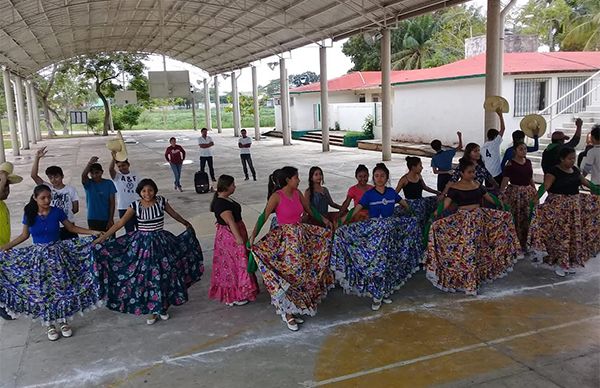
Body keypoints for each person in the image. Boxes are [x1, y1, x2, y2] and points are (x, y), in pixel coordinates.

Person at [92, 179, 204, 324]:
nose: (147, 193)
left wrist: (186, 223)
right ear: (139, 192)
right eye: (144, 191)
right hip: (142, 246)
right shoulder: (135, 206)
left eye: (150, 190)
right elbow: (120, 223)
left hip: (162, 243)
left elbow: (174, 214)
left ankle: (162, 307)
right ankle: (152, 310)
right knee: (148, 277)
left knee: (165, 275)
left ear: (155, 191)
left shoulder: (161, 202)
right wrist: (103, 238)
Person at [0, 185, 102, 341]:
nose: (47, 200)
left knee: (62, 288)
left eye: (49, 197)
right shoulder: (29, 214)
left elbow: (71, 227)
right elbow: (24, 236)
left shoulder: (56, 212)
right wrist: (4, 248)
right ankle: (50, 325)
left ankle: (63, 321)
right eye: (43, 198)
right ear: (35, 198)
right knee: (44, 291)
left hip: (57, 256)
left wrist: (92, 232)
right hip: (39, 260)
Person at [250, 166, 333, 331]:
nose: (299, 180)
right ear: (288, 179)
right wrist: (253, 236)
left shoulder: (298, 194)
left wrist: (324, 220)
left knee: (301, 273)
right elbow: (263, 216)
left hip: (301, 238)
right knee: (289, 274)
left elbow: (310, 210)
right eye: (296, 177)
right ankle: (287, 312)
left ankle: (293, 307)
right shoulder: (277, 197)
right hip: (286, 241)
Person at [331, 163, 422, 311]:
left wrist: (413, 215)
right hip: (375, 233)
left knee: (388, 263)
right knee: (377, 263)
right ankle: (376, 295)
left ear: (387, 177)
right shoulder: (369, 194)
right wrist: (342, 221)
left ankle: (383, 291)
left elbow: (404, 204)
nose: (379, 178)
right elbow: (356, 210)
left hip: (390, 233)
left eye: (382, 176)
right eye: (377, 176)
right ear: (373, 178)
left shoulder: (391, 192)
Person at [425, 160, 519, 295]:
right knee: (467, 249)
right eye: (469, 172)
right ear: (462, 173)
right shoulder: (455, 187)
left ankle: (476, 278)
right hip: (464, 221)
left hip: (479, 219)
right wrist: (435, 214)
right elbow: (446, 204)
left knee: (479, 247)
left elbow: (489, 198)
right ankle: (468, 282)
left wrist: (501, 203)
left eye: (473, 172)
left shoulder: (478, 185)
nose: (472, 174)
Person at [529, 147, 596, 276]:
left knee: (572, 235)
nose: (572, 161)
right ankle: (561, 263)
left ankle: (569, 262)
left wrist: (596, 188)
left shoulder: (575, 170)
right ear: (561, 159)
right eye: (570, 159)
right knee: (562, 235)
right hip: (558, 209)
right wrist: (535, 200)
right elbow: (545, 186)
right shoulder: (553, 172)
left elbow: (586, 183)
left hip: (574, 209)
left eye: (574, 159)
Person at [209, 175, 259, 306]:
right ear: (226, 186)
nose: (234, 187)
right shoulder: (221, 203)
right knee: (235, 264)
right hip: (231, 236)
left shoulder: (224, 199)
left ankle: (237, 292)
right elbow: (230, 221)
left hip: (234, 232)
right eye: (232, 185)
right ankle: (234, 295)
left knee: (235, 263)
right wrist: (238, 238)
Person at [31, 147, 80, 239]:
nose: (54, 180)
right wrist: (37, 158)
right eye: (51, 177)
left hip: (69, 225)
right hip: (53, 226)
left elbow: (75, 209)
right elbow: (34, 175)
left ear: (62, 176)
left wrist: (66, 216)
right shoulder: (47, 188)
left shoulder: (70, 189)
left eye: (56, 176)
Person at [500, 143, 537, 255]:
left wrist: (535, 191)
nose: (524, 151)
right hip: (515, 193)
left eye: (525, 149)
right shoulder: (510, 164)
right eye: (521, 149)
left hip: (528, 192)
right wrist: (501, 194)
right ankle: (516, 243)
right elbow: (505, 180)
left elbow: (530, 178)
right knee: (517, 217)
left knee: (527, 217)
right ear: (515, 151)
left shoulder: (528, 162)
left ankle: (526, 242)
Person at [0, 162, 22, 321]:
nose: (6, 190)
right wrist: (3, 177)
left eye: (8, 187)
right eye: (4, 187)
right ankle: (3, 309)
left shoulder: (3, 205)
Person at [395, 156, 441, 228]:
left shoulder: (419, 176)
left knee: (439, 200)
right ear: (413, 167)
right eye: (420, 165)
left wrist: (437, 192)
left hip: (421, 202)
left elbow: (425, 187)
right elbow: (395, 194)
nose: (422, 168)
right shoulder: (404, 179)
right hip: (410, 204)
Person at [81, 157, 117, 232]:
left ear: (101, 172)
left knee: (109, 241)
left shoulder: (109, 183)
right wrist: (90, 163)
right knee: (95, 241)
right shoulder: (89, 184)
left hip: (106, 218)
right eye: (92, 173)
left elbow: (112, 203)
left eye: (97, 172)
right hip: (93, 218)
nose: (94, 175)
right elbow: (83, 175)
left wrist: (111, 219)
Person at [109, 153, 139, 233]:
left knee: (141, 229)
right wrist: (113, 158)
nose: (122, 168)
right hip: (124, 207)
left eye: (123, 165)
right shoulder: (117, 177)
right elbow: (111, 169)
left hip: (137, 206)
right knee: (129, 231)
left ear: (128, 165)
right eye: (119, 166)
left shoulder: (135, 175)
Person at [481, 109, 506, 184]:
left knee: (489, 193)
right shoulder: (495, 143)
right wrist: (500, 115)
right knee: (499, 193)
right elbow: (503, 129)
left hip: (488, 175)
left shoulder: (482, 148)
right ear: (495, 136)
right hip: (497, 174)